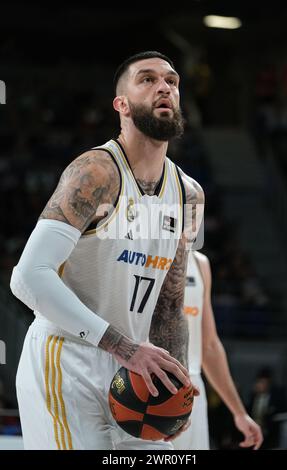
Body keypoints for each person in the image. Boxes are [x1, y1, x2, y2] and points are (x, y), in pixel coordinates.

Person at [10, 51, 204, 450]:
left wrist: (176, 385)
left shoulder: (188, 194)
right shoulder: (96, 171)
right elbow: (27, 277)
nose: (164, 87)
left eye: (171, 80)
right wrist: (123, 346)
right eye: (147, 80)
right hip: (67, 357)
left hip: (136, 368)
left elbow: (170, 304)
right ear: (122, 105)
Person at [172, 251, 263, 450]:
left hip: (192, 387)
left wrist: (239, 413)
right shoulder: (143, 251)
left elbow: (210, 346)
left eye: (198, 216)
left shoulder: (200, 263)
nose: (194, 220)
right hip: (149, 381)